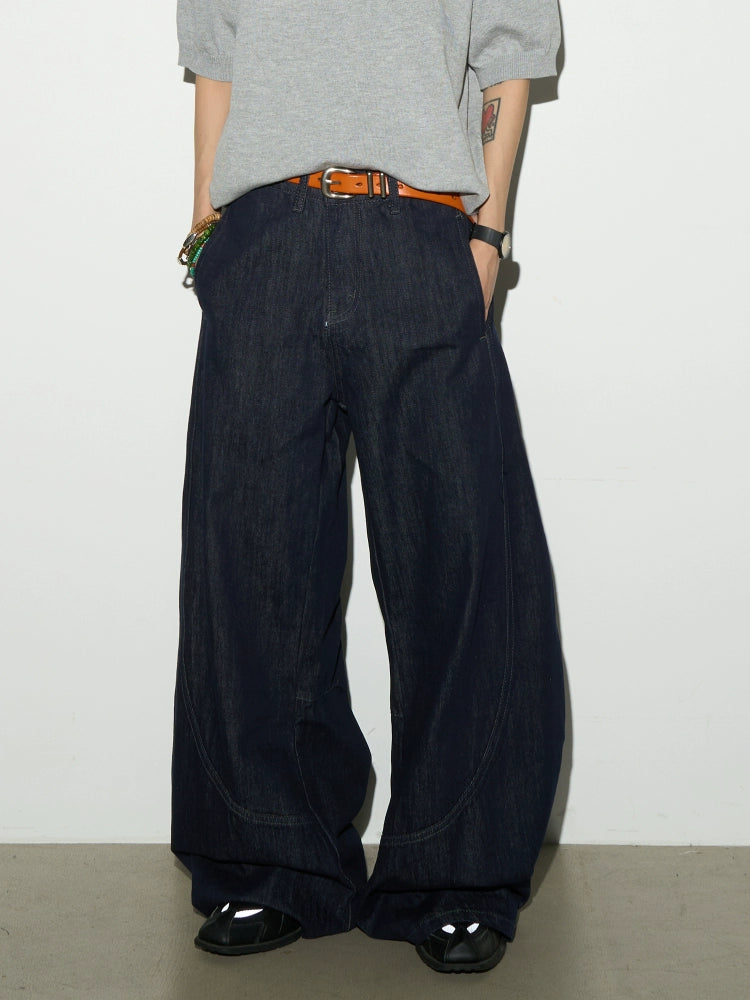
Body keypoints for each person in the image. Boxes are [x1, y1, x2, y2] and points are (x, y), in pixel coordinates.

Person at [172, 0, 565, 975]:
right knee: (253, 565)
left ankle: (457, 875)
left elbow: (509, 60)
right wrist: (207, 226)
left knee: (456, 563)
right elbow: (218, 62)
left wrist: (488, 235)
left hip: (422, 231)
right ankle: (271, 861)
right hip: (263, 236)